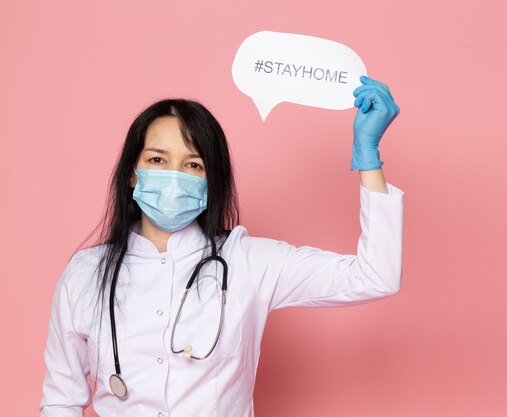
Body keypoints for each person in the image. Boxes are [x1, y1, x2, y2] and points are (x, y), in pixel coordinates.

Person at [39, 75, 404, 416]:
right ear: (133, 173)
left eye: (193, 164)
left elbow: (375, 276)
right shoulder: (85, 273)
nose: (173, 176)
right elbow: (61, 401)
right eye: (157, 160)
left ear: (211, 181)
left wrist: (367, 154)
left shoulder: (248, 261)